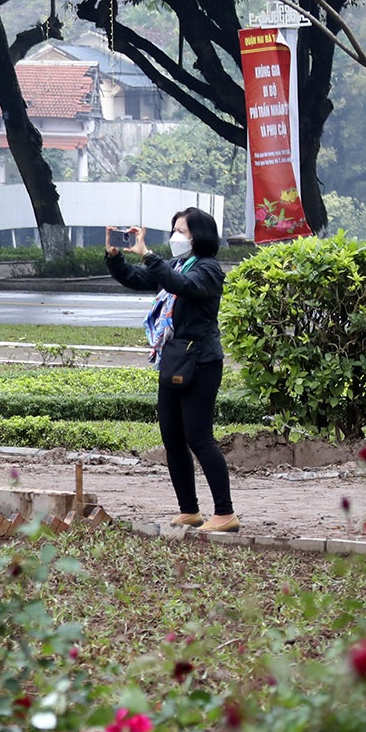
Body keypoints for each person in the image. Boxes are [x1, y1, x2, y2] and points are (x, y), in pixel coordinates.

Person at [106, 209, 237, 533]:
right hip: (175, 359)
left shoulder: (207, 269)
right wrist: (115, 258)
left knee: (200, 438)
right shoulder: (177, 264)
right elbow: (139, 279)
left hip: (202, 362)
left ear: (200, 237)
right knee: (173, 438)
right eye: (175, 229)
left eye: (183, 231)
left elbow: (181, 285)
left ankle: (225, 513)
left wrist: (149, 255)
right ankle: (189, 510)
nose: (176, 237)